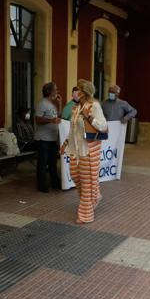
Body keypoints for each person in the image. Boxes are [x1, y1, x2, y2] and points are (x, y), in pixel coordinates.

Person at [60, 79, 108, 224]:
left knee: (87, 184)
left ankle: (85, 215)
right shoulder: (76, 108)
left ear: (84, 92)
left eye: (78, 89)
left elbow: (103, 127)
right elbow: (73, 129)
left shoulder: (94, 106)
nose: (75, 92)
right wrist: (65, 143)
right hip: (75, 149)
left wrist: (89, 116)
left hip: (88, 150)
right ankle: (95, 196)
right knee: (75, 176)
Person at [34, 82, 62, 192]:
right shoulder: (42, 103)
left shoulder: (52, 104)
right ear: (49, 92)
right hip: (43, 139)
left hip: (52, 138)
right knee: (42, 162)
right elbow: (38, 119)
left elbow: (57, 117)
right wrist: (51, 120)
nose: (57, 91)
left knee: (53, 162)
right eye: (55, 90)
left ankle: (54, 182)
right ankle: (42, 184)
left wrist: (59, 104)